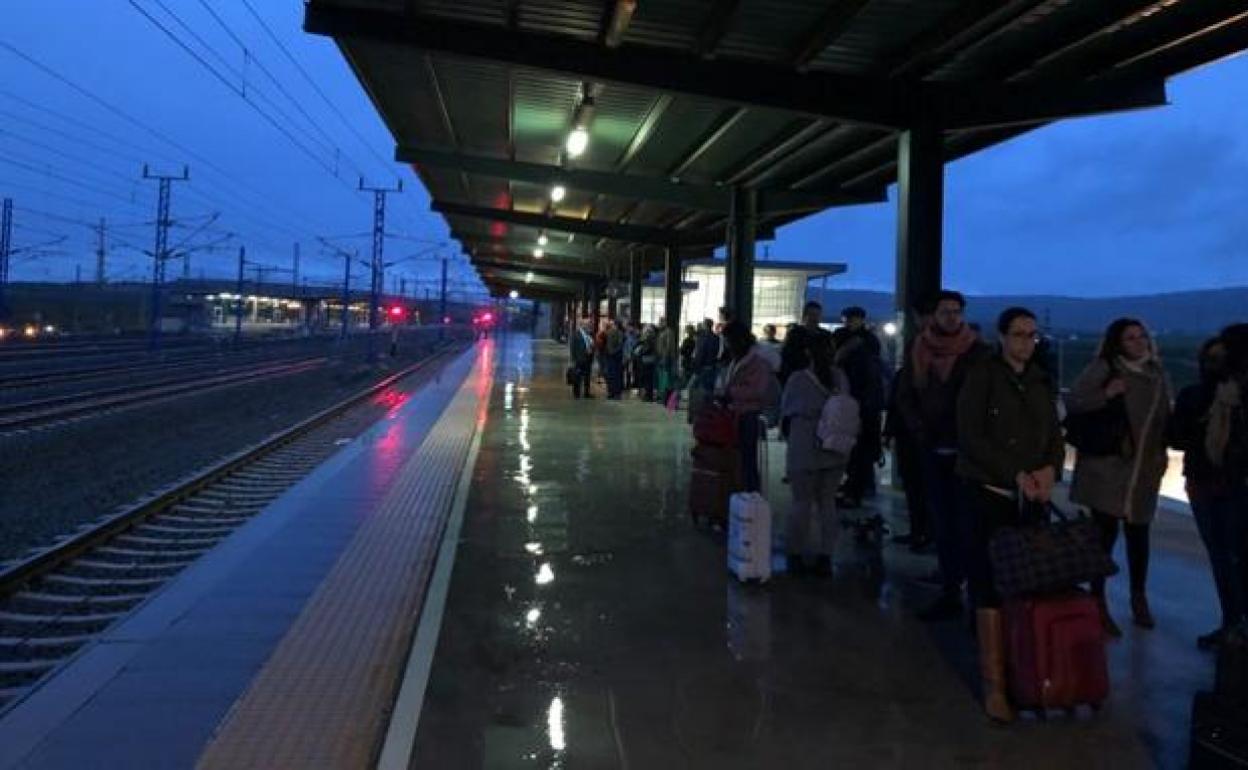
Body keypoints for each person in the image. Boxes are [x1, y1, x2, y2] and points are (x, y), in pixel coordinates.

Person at [956, 306, 1065, 724]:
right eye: (1019, 334)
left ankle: (1026, 675)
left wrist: (1049, 470)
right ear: (1002, 337)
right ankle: (994, 686)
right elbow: (972, 435)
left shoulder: (1039, 380)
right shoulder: (982, 376)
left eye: (1032, 335)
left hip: (1030, 498)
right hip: (988, 494)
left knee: (1027, 584)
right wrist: (1015, 473)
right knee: (988, 584)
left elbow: (1054, 434)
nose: (1026, 342)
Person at [1067, 318, 1171, 636]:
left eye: (1142, 336)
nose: (1139, 342)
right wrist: (1106, 393)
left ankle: (1138, 597)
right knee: (1104, 536)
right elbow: (1074, 401)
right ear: (1118, 343)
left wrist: (1160, 459)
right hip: (1108, 468)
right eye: (1130, 338)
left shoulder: (1157, 373)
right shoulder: (1105, 368)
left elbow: (1163, 420)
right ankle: (1098, 600)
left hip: (1144, 469)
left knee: (1139, 534)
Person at [896, 290, 988, 621]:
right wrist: (920, 430)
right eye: (945, 311)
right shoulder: (918, 348)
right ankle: (951, 588)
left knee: (970, 521)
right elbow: (906, 394)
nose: (952, 317)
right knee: (944, 519)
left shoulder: (978, 351)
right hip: (933, 447)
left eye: (956, 311)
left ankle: (975, 594)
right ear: (933, 315)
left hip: (969, 450)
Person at [1168, 336, 1246, 648]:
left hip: (1233, 486)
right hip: (1205, 485)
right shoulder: (1194, 396)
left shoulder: (1239, 399)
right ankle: (1232, 623)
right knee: (1222, 557)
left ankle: (1236, 625)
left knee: (1234, 556)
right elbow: (1176, 437)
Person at [781, 327, 851, 576]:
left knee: (801, 502)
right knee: (827, 503)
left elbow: (786, 410)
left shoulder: (798, 379)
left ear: (807, 352)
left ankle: (796, 554)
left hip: (804, 446)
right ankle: (826, 557)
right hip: (835, 447)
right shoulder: (840, 377)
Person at [833, 306, 886, 508]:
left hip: (858, 399)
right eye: (848, 319)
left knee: (859, 447)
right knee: (859, 447)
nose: (850, 322)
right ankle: (858, 486)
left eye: (853, 319)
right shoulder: (865, 340)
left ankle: (856, 488)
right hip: (860, 399)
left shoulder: (863, 341)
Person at [720, 321, 771, 493]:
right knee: (739, 458)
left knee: (748, 459)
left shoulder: (758, 361)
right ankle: (740, 492)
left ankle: (750, 494)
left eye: (728, 340)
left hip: (749, 415)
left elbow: (759, 391)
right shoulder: (738, 358)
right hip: (735, 413)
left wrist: (732, 392)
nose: (727, 345)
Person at [568, 316, 595, 399]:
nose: (589, 326)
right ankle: (576, 393)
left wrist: (591, 348)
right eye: (587, 324)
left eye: (589, 324)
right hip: (579, 359)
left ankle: (587, 392)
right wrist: (573, 359)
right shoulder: (576, 334)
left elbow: (591, 345)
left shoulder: (589, 334)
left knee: (587, 376)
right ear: (582, 325)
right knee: (577, 376)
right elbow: (572, 347)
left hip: (588, 359)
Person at [633, 324, 658, 402]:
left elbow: (646, 349)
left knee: (647, 379)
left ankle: (648, 395)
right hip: (648, 360)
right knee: (648, 379)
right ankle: (648, 394)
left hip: (647, 360)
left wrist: (641, 351)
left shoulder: (648, 340)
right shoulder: (651, 339)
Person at [655, 318, 677, 403]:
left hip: (666, 359)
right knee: (662, 378)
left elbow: (668, 347)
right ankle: (662, 396)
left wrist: (665, 358)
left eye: (661, 322)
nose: (659, 324)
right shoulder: (662, 332)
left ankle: (665, 397)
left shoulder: (668, 333)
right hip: (661, 358)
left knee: (665, 379)